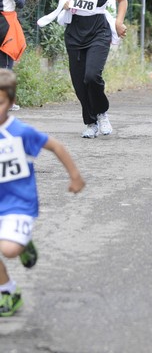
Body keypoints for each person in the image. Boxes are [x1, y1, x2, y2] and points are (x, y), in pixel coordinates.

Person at [0, 68, 85, 317]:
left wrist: (75, 176)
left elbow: (55, 146)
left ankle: (22, 243)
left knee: (9, 250)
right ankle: (8, 292)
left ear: (11, 102)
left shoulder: (21, 132)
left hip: (19, 204)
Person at [58, 0, 128, 138]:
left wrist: (118, 22)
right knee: (79, 82)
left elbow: (122, 0)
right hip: (74, 33)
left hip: (98, 31)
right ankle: (90, 123)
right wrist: (64, 2)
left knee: (91, 76)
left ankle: (101, 113)